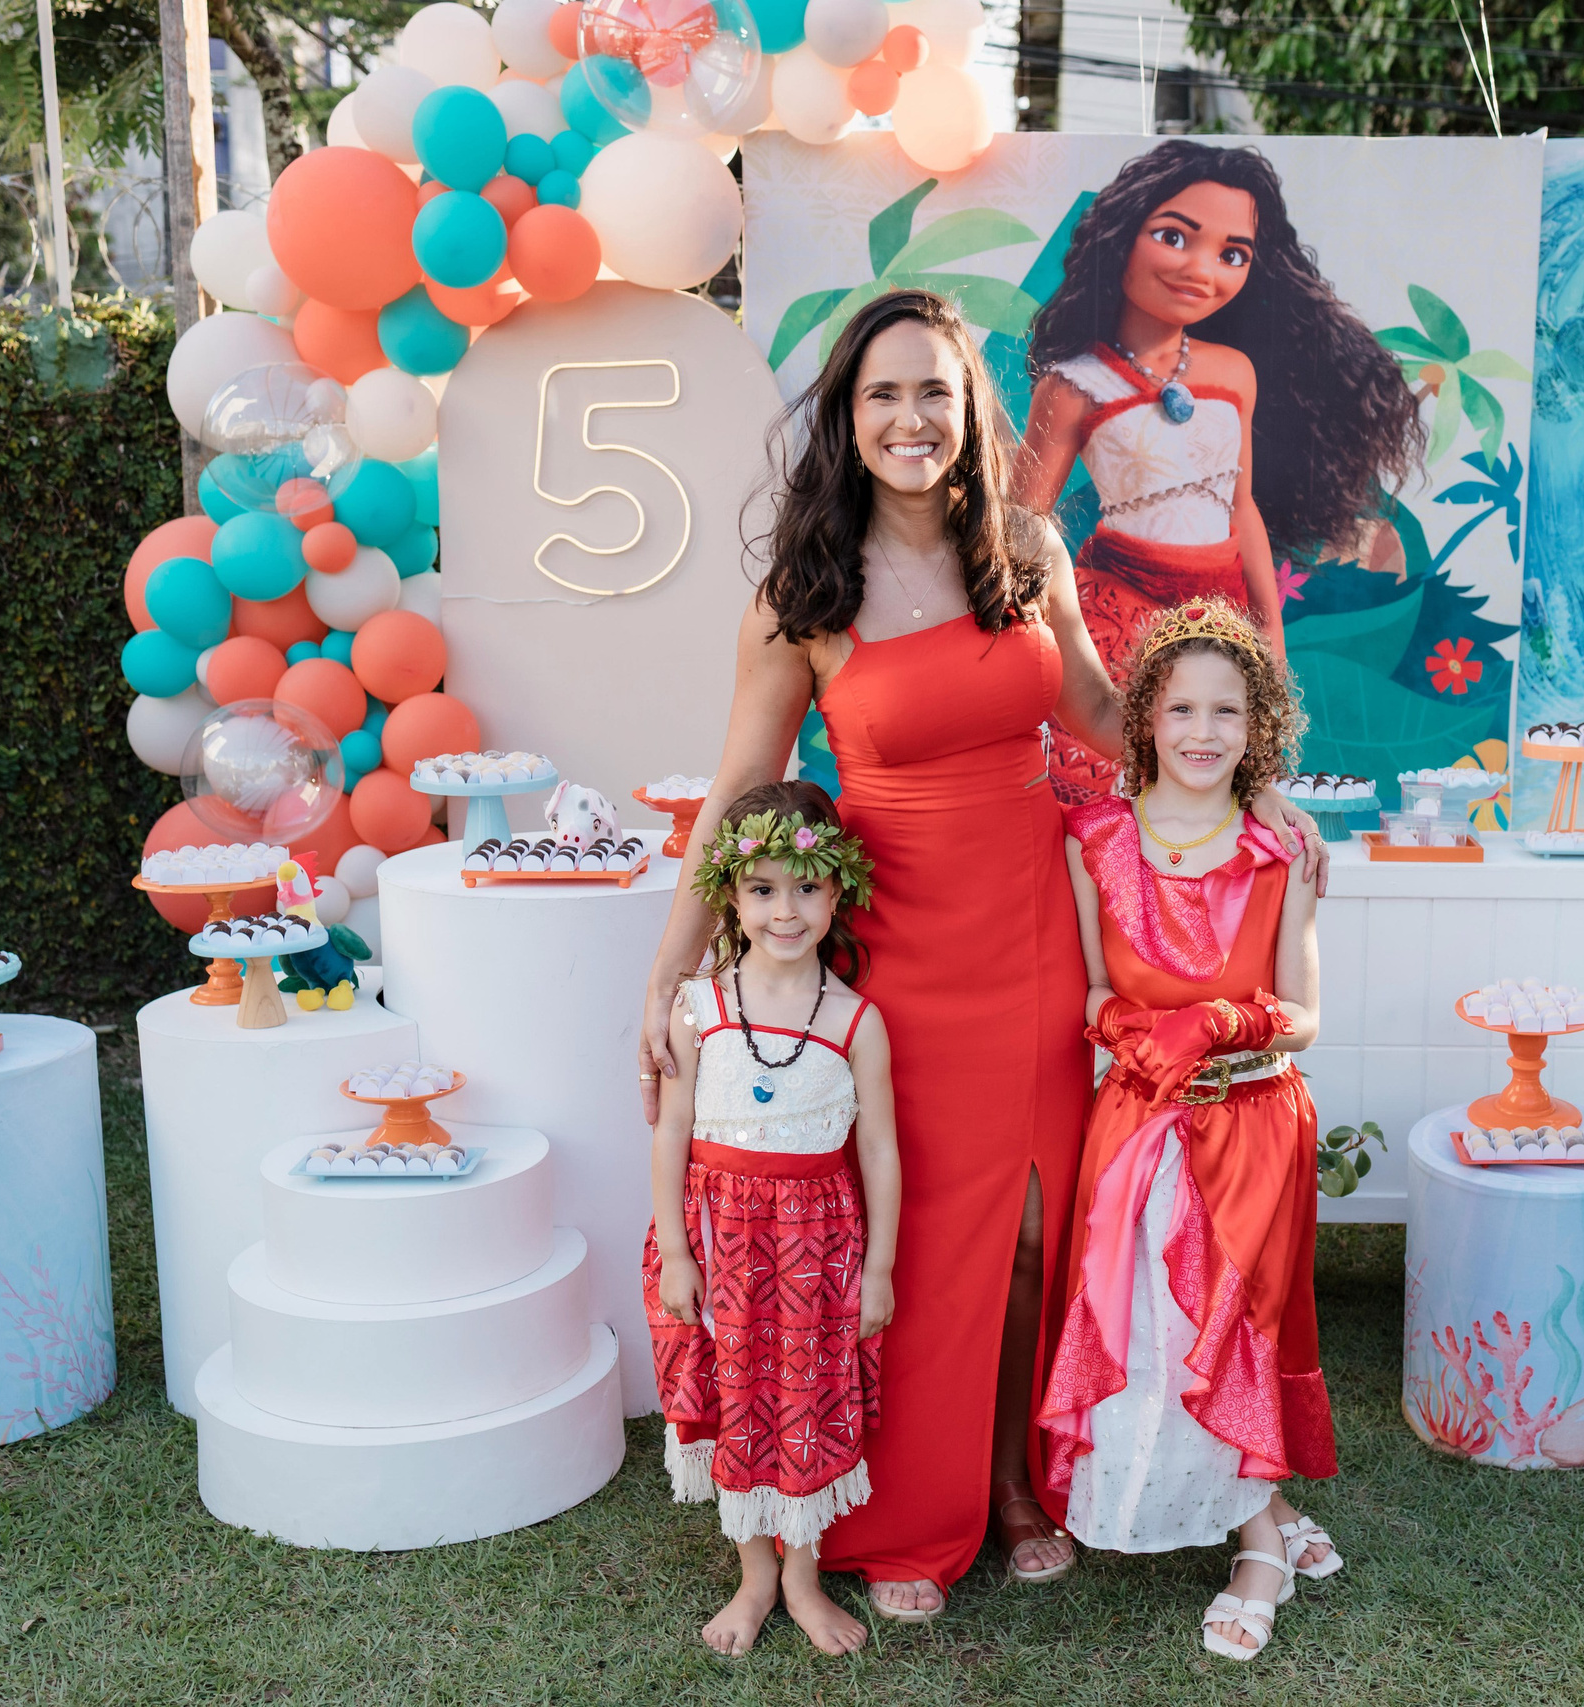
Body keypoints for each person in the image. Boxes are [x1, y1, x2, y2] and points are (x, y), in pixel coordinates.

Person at [638, 288, 1328, 1622]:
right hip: (895, 952)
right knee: (921, 1227)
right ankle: (909, 1505)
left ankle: (1016, 1480)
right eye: (883, 394)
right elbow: (737, 794)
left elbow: (1105, 713)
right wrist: (668, 975)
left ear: (970, 411)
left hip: (1038, 928)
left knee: (1034, 1227)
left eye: (935, 393)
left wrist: (1253, 791)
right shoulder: (802, 598)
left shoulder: (1027, 548)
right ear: (847, 416)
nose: (911, 418)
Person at [1039, 596, 1342, 1661]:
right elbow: (1089, 990)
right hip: (1136, 1121)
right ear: (1144, 720)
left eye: (1227, 712)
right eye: (1180, 709)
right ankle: (1250, 1505)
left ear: (1258, 727)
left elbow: (1303, 1015)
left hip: (1249, 1122)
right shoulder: (1094, 841)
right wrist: (1128, 1026)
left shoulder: (1278, 849)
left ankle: (1259, 1544)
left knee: (1230, 1327)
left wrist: (1222, 1019)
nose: (1202, 732)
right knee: (1151, 1327)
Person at [1017, 139, 1424, 805]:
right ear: (1121, 237)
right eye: (1174, 237)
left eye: (1232, 254)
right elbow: (1021, 532)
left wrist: (1270, 632)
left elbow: (1241, 506)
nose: (1201, 271)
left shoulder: (1234, 373)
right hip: (1118, 613)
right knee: (1116, 799)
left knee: (1216, 800)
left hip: (1222, 619)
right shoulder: (1073, 386)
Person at [644, 780, 897, 1658]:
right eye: (762, 888)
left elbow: (880, 1150)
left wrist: (878, 1268)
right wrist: (679, 1254)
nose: (785, 910)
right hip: (718, 1245)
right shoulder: (700, 1008)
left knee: (801, 1406)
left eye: (806, 886)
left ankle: (801, 1575)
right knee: (735, 1401)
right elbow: (672, 1130)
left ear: (838, 889)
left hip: (814, 1254)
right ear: (730, 893)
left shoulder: (857, 1020)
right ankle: (754, 1573)